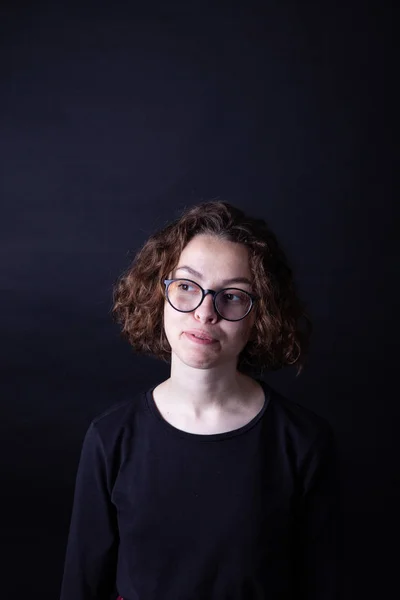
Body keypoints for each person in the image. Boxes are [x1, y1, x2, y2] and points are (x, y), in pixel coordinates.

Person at [60, 201, 341, 600]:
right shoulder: (110, 438)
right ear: (159, 294)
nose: (205, 312)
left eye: (232, 296)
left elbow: (321, 587)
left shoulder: (304, 443)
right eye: (187, 287)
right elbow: (82, 586)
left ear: (261, 316)